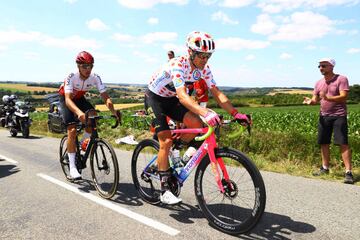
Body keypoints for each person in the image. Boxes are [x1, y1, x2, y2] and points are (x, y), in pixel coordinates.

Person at [146, 31, 250, 204]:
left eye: (208, 56)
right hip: (154, 98)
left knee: (196, 124)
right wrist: (205, 112)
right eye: (201, 55)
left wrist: (235, 113)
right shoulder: (178, 64)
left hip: (170, 99)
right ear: (190, 53)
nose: (205, 59)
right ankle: (164, 190)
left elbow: (217, 93)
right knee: (165, 141)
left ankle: (174, 152)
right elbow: (182, 95)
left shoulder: (204, 69)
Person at [58, 51, 120, 180]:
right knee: (72, 129)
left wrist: (114, 112)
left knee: (93, 116)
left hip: (80, 98)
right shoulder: (71, 76)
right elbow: (68, 100)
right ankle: (73, 166)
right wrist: (79, 113)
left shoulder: (95, 77)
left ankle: (82, 144)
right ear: (78, 66)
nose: (88, 69)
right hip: (66, 99)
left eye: (90, 66)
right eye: (85, 66)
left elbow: (105, 97)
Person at [303, 58, 354, 184]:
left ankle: (348, 172)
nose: (321, 68)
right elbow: (315, 100)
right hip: (324, 116)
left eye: (324, 66)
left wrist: (328, 98)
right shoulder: (318, 83)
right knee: (324, 142)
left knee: (343, 143)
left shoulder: (341, 79)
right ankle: (325, 168)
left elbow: (344, 96)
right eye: (319, 66)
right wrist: (310, 102)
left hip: (339, 116)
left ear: (331, 66)